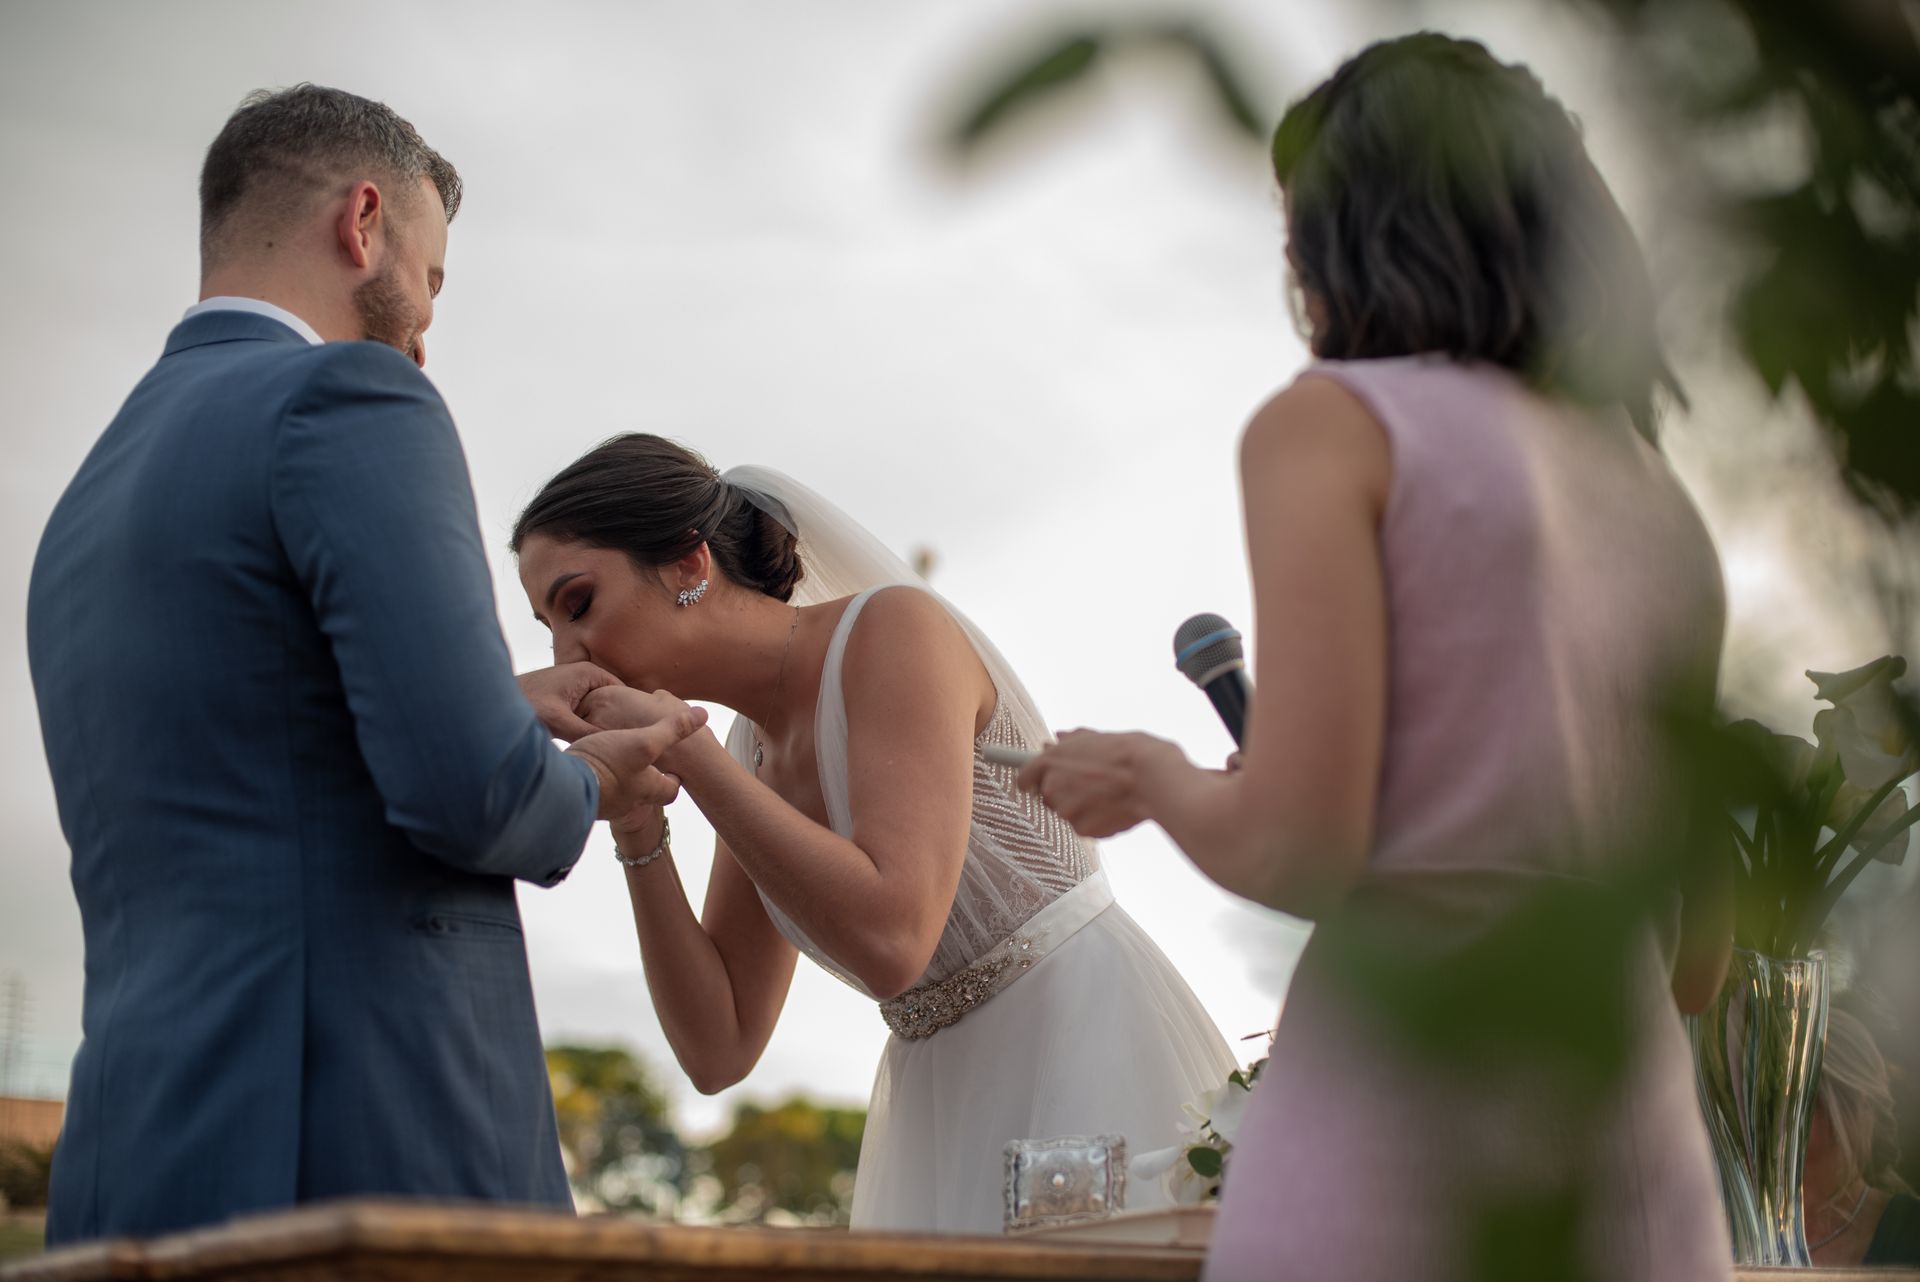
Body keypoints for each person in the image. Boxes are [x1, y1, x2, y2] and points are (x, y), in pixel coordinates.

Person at [1017, 34, 1735, 1282]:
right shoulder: (1656, 500)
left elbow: (1301, 845)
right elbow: (1701, 957)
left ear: (1345, 230)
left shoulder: (1331, 428)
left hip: (1398, 1135)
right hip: (1632, 1164)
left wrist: (1155, 776)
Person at [26, 85, 700, 1245]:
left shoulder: (82, 503)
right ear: (365, 220)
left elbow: (259, 749)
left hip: (137, 1160)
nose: (426, 327)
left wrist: (498, 700)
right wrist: (600, 784)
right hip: (367, 1140)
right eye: (431, 278)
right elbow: (471, 791)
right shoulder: (353, 395)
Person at [509, 435, 1238, 1233]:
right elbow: (719, 1045)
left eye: (577, 604)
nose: (567, 653)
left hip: (1082, 1049)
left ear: (688, 563)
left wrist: (690, 753)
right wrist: (639, 830)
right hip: (938, 1112)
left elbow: (895, 938)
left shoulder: (892, 631)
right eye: (547, 627)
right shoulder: (748, 751)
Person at [1805, 1005, 1920, 1267]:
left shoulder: (1910, 1232)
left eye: (1802, 1092)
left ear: (1855, 1105)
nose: (1773, 1107)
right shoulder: (1737, 1227)